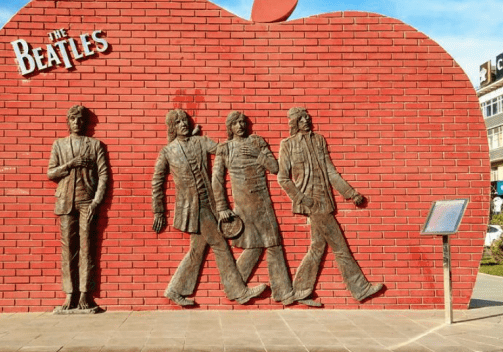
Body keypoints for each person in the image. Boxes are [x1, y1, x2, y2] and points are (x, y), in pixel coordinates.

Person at [151, 109, 266, 306]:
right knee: (220, 245)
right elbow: (157, 180)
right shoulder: (168, 151)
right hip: (190, 209)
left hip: (207, 205)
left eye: (185, 121)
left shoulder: (201, 141)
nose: (183, 124)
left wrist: (245, 143)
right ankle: (238, 291)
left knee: (197, 250)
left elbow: (222, 149)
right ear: (172, 127)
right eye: (178, 122)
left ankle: (175, 289)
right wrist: (159, 210)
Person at [277, 107, 383, 305]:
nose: (306, 121)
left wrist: (350, 193)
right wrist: (301, 198)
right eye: (301, 119)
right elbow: (283, 178)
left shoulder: (319, 140)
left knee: (317, 247)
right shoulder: (288, 145)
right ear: (294, 122)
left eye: (307, 118)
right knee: (340, 246)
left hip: (325, 200)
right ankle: (360, 288)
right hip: (311, 203)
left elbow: (330, 171)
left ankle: (299, 291)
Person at [213, 111, 296, 305]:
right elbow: (216, 179)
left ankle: (282, 292)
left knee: (272, 243)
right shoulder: (224, 148)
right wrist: (222, 207)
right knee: (255, 245)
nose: (240, 125)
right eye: (236, 123)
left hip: (263, 203)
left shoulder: (257, 142)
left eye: (243, 122)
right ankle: (234, 287)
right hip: (243, 205)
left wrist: (258, 154)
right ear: (230, 127)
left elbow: (275, 168)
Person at [47, 105, 108, 311]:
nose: (77, 122)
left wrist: (96, 202)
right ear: (68, 122)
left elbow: (104, 175)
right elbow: (51, 173)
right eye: (73, 119)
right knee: (68, 250)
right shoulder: (59, 145)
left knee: (87, 248)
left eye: (80, 119)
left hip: (87, 201)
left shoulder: (95, 145)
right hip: (65, 202)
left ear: (85, 122)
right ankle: (69, 294)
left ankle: (85, 294)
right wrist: (70, 164)